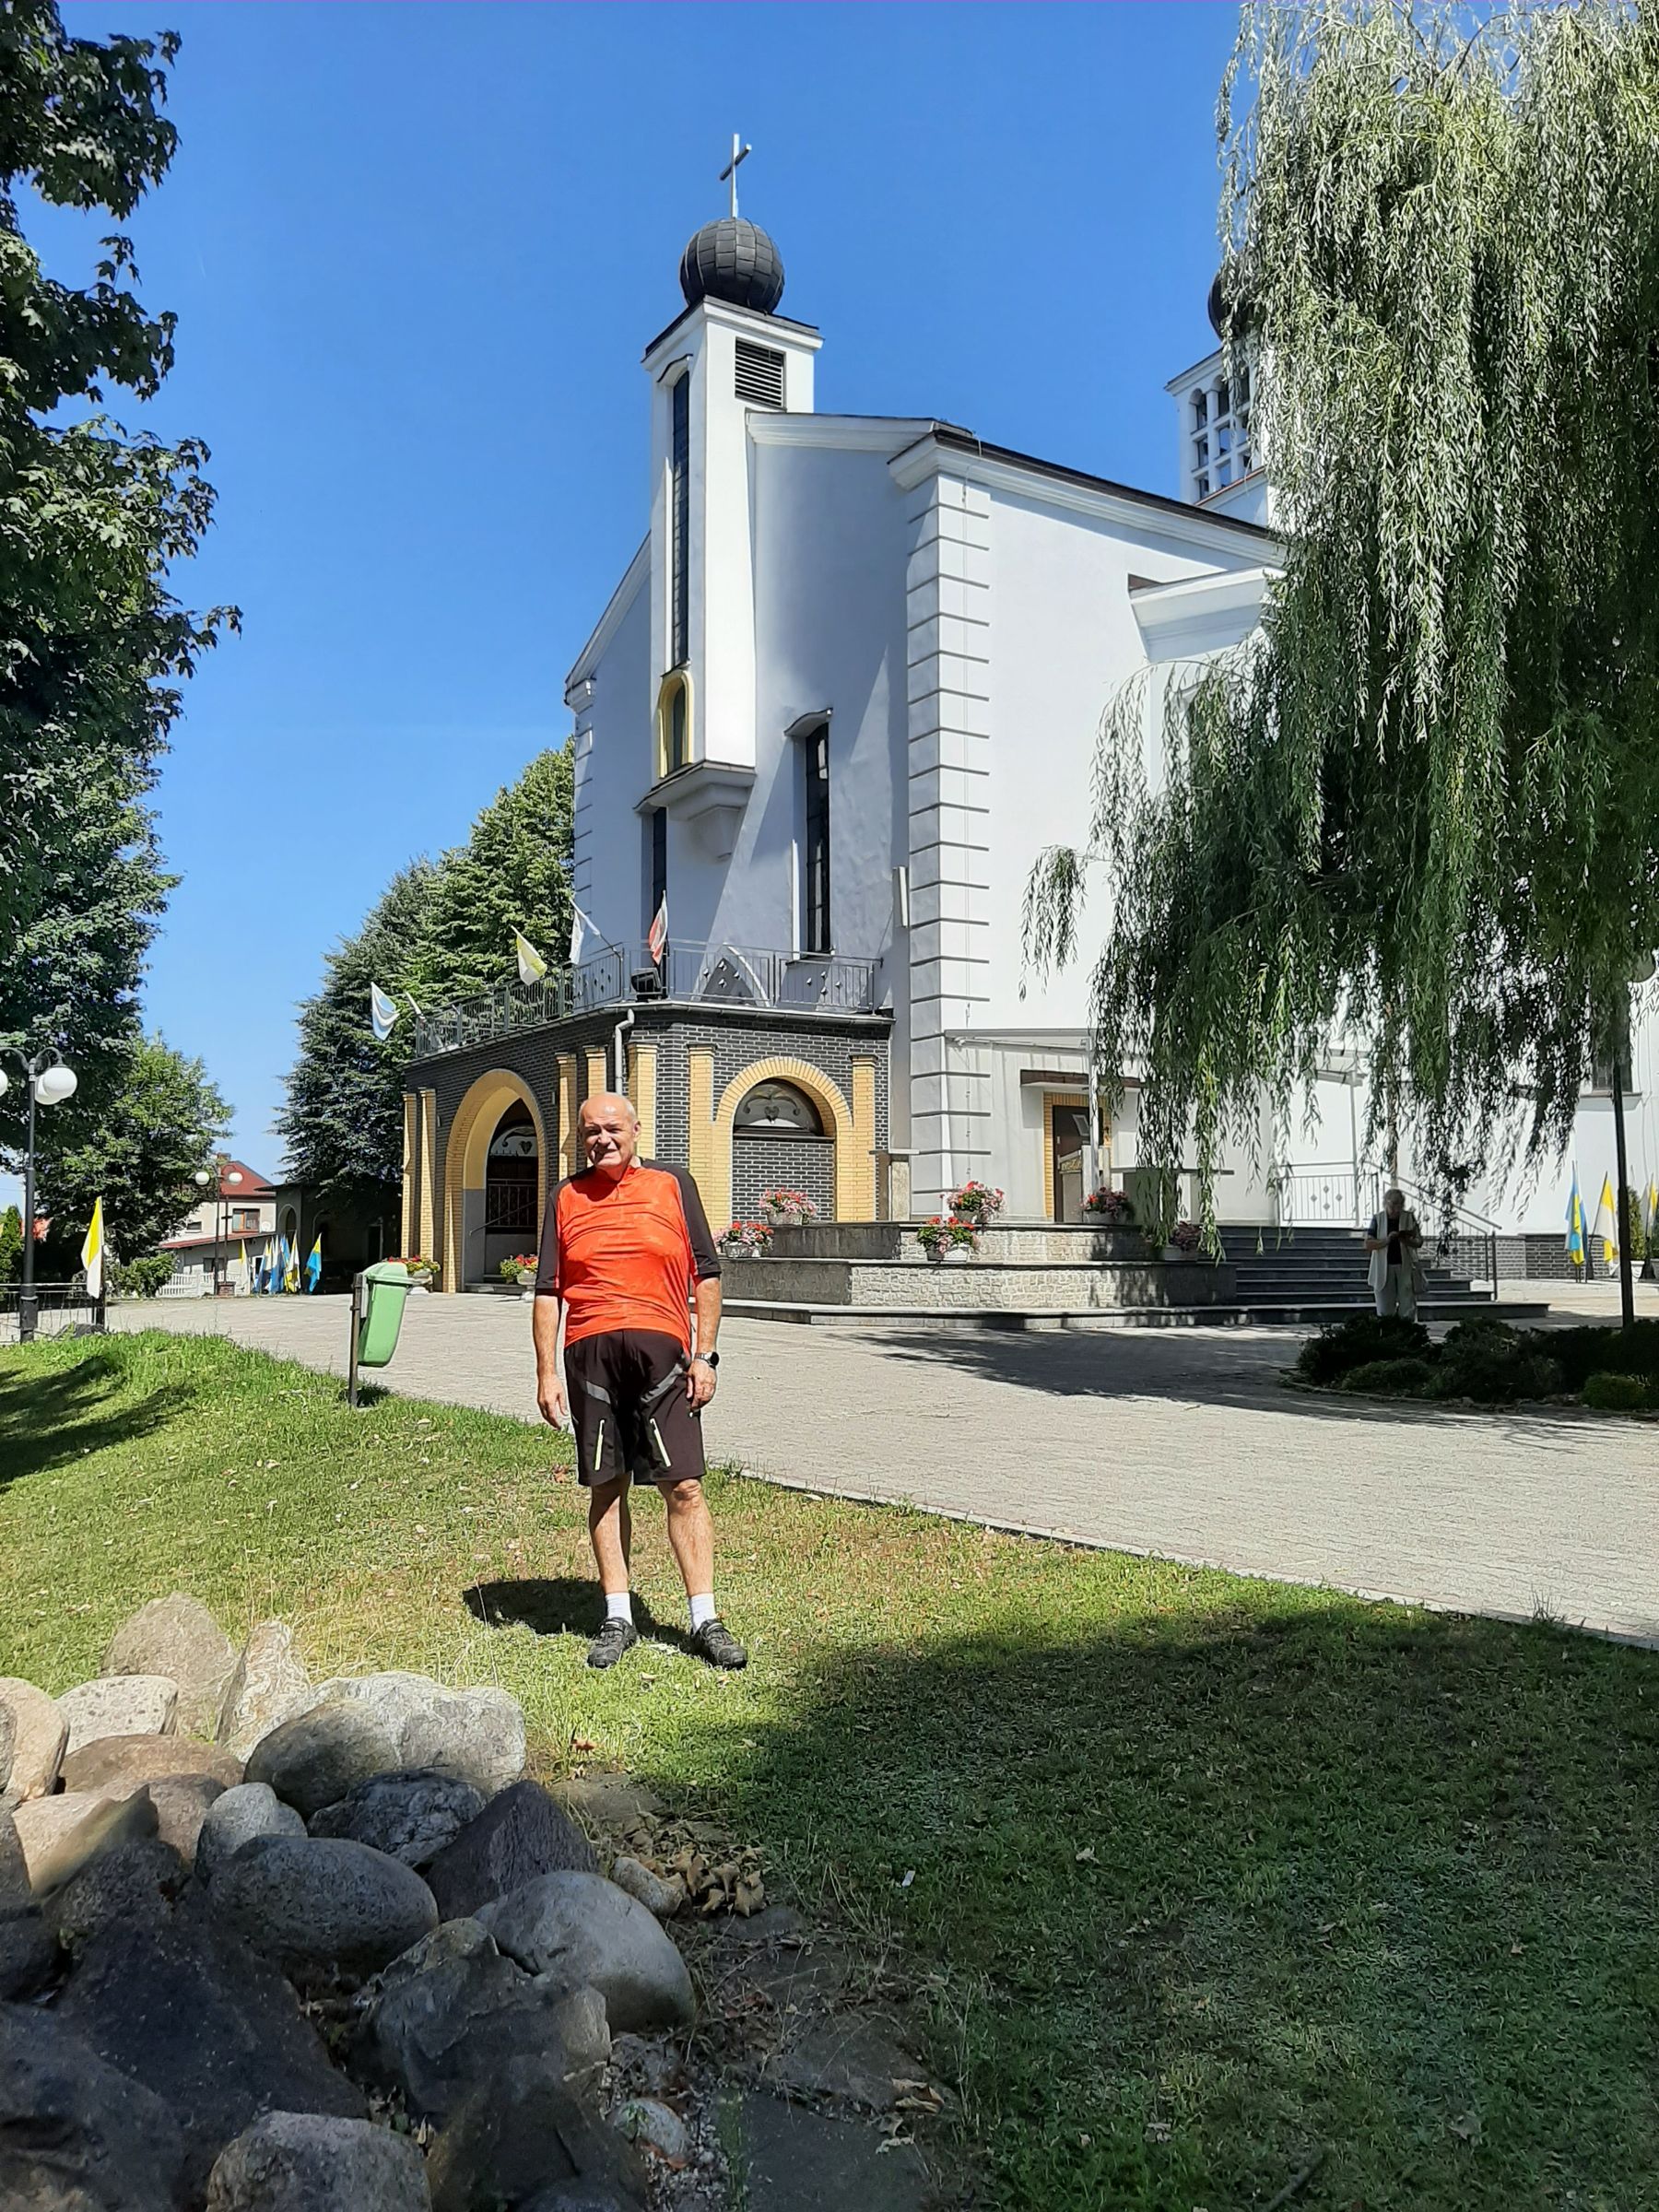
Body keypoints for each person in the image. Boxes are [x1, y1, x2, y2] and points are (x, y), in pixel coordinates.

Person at [532, 1092, 747, 1673]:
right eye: (590, 1131)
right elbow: (548, 1290)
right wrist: (546, 1372)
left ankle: (705, 1619)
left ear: (635, 1130)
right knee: (607, 1486)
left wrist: (706, 1356)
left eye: (612, 1128)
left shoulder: (673, 1184)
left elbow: (706, 1275)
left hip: (664, 1360)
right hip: (590, 1359)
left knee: (685, 1487)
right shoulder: (565, 1196)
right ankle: (617, 1616)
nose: (602, 1139)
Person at [1364, 1187, 1424, 1318]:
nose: (1395, 1210)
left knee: (1407, 1304)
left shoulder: (1408, 1217)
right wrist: (1387, 1240)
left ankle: (1407, 1328)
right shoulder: (1378, 1219)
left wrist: (1405, 1239)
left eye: (1399, 1206)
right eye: (1392, 1205)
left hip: (1404, 1265)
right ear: (1386, 1203)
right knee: (1384, 1307)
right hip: (1383, 1267)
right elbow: (1368, 1244)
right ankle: (1387, 1328)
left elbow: (1419, 1242)